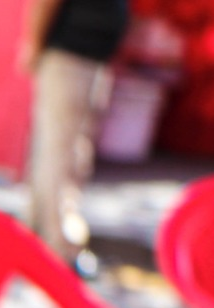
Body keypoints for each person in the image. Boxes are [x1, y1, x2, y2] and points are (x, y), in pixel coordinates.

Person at [19, 0, 131, 278]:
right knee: (60, 151)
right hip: (69, 54)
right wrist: (33, 44)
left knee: (67, 148)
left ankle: (35, 237)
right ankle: (58, 245)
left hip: (91, 57)